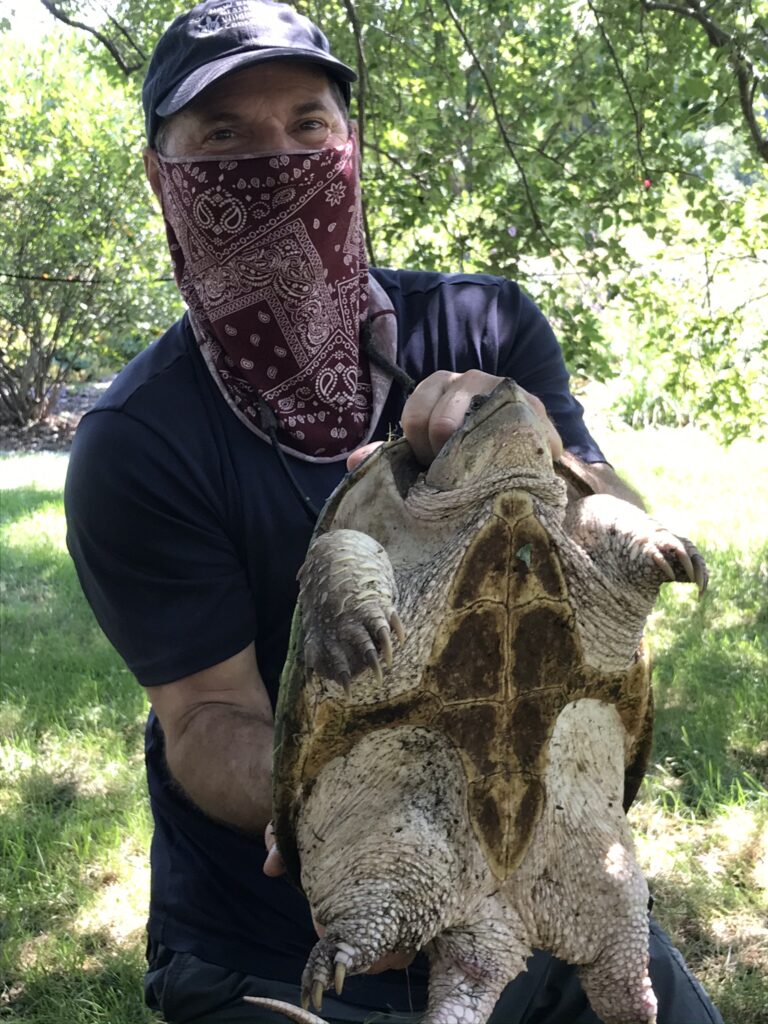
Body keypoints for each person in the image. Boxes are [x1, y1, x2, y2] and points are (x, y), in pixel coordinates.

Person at [64, 2, 723, 1022]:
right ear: (162, 176)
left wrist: (538, 443)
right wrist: (319, 793)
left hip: (539, 857)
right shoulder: (138, 440)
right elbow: (203, 718)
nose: (273, 159)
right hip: (285, 932)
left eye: (306, 125)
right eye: (224, 136)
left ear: (350, 146)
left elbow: (614, 522)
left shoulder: (483, 323)